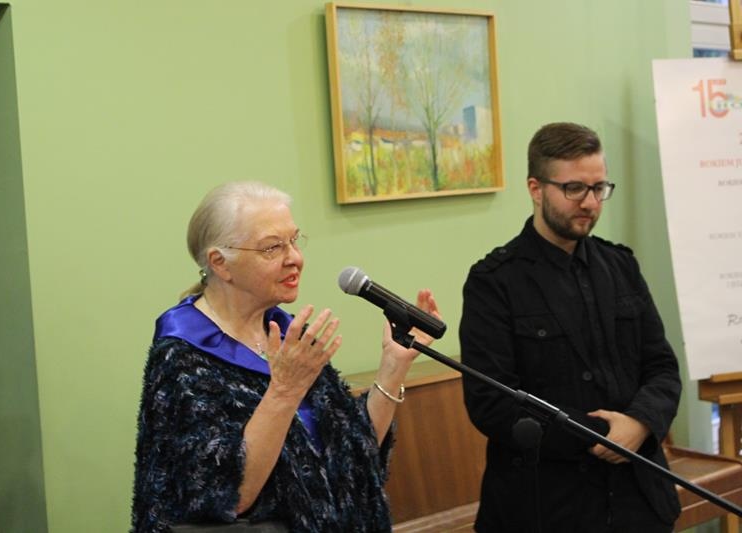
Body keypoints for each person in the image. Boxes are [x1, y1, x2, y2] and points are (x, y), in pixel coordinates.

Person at [130, 181, 439, 533]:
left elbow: (356, 455)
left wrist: (394, 366)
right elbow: (225, 496)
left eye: (294, 240)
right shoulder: (184, 354)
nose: (295, 258)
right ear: (220, 263)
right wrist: (284, 392)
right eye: (272, 247)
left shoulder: (285, 331)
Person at [459, 122, 682, 533]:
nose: (590, 203)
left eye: (599, 188)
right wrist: (601, 435)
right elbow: (492, 402)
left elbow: (662, 368)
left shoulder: (621, 265)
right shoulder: (494, 282)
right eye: (575, 188)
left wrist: (639, 423)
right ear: (535, 188)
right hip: (546, 506)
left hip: (638, 499)